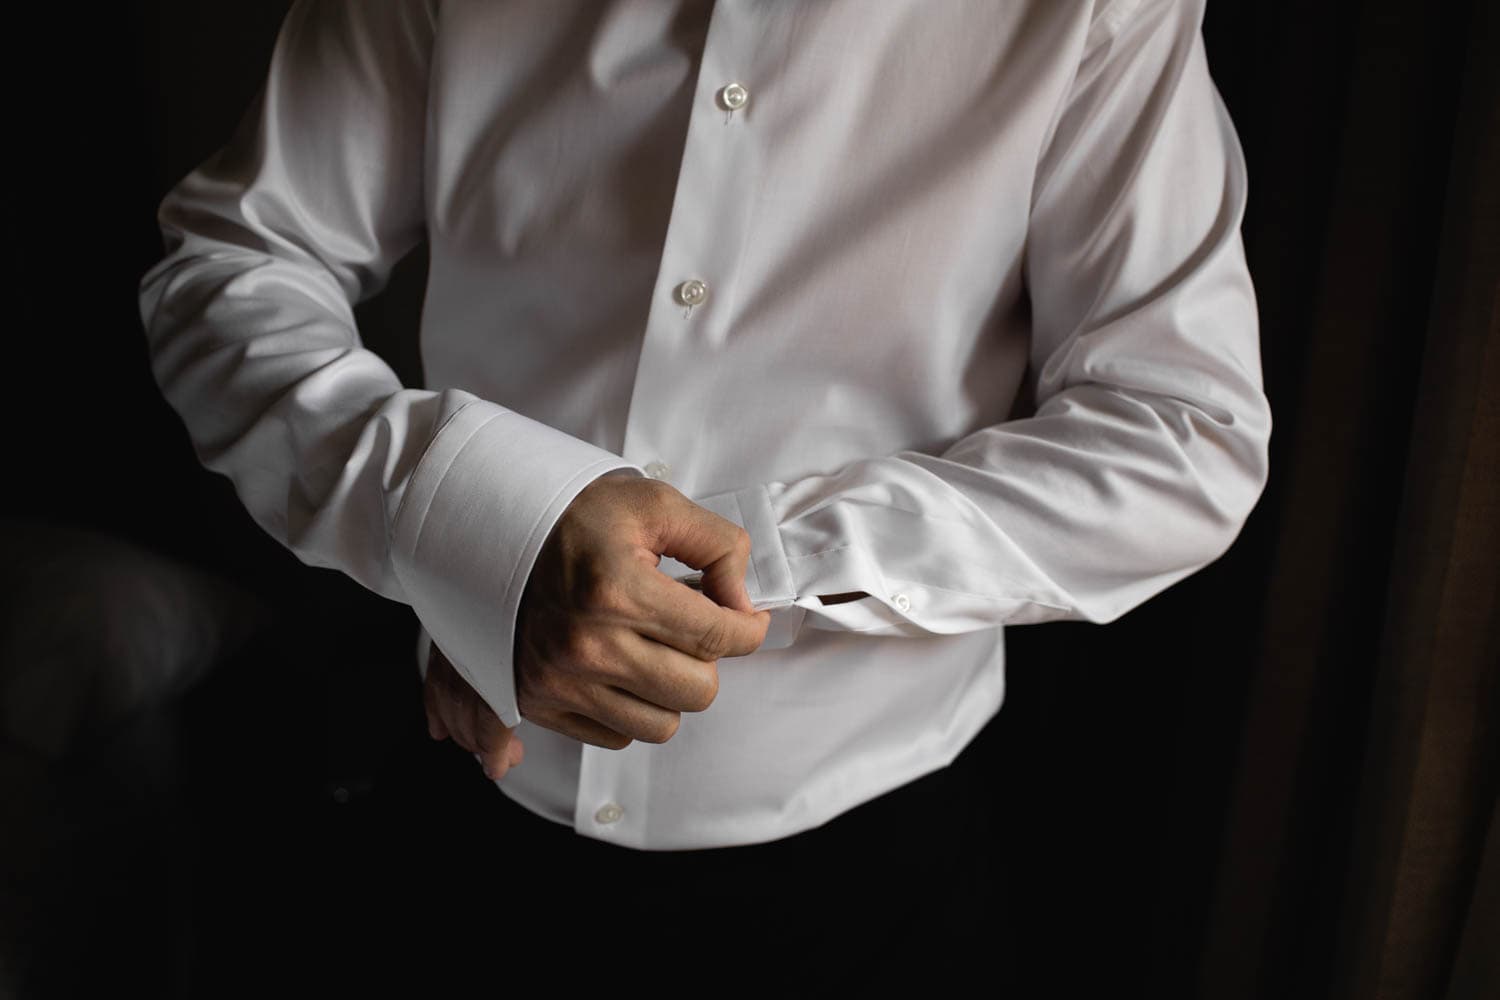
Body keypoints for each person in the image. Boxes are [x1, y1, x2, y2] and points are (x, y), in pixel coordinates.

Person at [139, 0, 1270, 984]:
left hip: (872, 874)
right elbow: (236, 263)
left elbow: (1181, 433)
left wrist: (720, 557)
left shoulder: (1098, 10)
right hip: (463, 806)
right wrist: (470, 516)